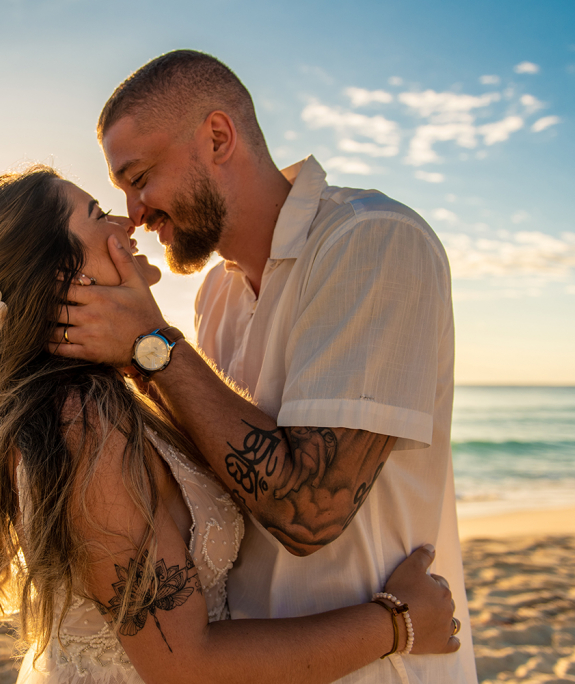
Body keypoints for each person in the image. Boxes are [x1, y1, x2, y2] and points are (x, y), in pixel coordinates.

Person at [0, 165, 460, 684]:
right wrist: (398, 623)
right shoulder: (83, 422)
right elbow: (186, 668)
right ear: (67, 274)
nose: (126, 222)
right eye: (98, 214)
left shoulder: (106, 396)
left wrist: (145, 347)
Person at [50, 50, 477, 684]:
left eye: (140, 177)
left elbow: (310, 512)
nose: (135, 212)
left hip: (376, 670)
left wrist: (152, 345)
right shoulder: (214, 298)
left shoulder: (372, 242)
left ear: (218, 137)